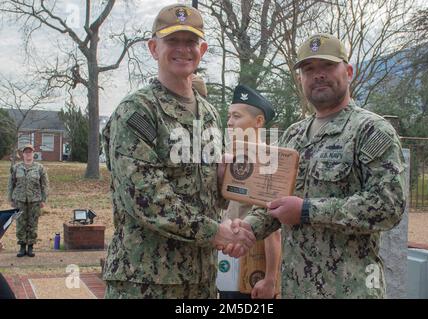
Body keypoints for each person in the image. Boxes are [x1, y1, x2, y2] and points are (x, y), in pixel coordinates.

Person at [227, 33, 407, 298]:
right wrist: (248, 228)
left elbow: (388, 207)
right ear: (300, 80)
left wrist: (308, 211)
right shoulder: (293, 136)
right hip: (296, 288)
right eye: (309, 69)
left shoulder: (371, 131)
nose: (318, 75)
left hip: (349, 289)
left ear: (348, 72)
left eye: (327, 66)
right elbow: (272, 202)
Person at [101, 3, 255, 299]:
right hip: (146, 280)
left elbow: (210, 191)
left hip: (201, 278)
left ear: (203, 49)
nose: (183, 49)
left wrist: (226, 179)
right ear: (153, 47)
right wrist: (217, 232)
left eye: (191, 41)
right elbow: (147, 198)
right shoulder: (138, 111)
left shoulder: (208, 113)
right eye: (172, 40)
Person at [219, 84, 281, 299]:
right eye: (229, 116)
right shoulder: (235, 158)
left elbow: (273, 231)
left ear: (258, 121)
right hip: (228, 264)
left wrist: (271, 280)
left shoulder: (267, 162)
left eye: (236, 116)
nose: (229, 122)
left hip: (253, 270)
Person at [7, 144, 49, 258]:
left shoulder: (40, 168)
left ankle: (30, 246)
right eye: (26, 152)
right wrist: (10, 198)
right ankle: (22, 246)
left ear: (33, 153)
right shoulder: (16, 167)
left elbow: (44, 185)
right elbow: (11, 183)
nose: (28, 154)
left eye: (30, 152)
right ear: (23, 154)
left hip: (35, 200)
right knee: (20, 223)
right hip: (19, 199)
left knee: (33, 223)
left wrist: (43, 199)